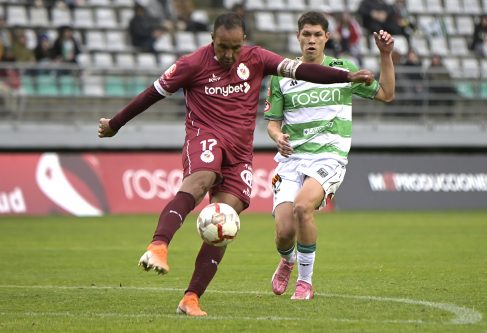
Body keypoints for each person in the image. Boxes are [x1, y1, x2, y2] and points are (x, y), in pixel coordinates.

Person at [97, 12, 374, 316]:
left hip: (239, 154)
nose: (228, 55)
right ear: (211, 41)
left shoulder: (257, 58)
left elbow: (304, 71)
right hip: (206, 137)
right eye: (221, 48)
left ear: (243, 41)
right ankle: (158, 245)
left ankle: (191, 298)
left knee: (223, 221)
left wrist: (345, 76)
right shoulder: (192, 64)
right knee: (201, 179)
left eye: (233, 48)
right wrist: (116, 123)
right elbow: (152, 94)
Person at [264, 11, 395, 300]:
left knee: (302, 208)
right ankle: (287, 260)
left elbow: (386, 93)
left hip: (329, 157)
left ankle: (305, 282)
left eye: (317, 35)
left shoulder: (342, 70)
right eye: (306, 34)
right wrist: (277, 136)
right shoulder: (282, 75)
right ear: (298, 37)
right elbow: (272, 122)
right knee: (284, 231)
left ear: (327, 38)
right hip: (291, 159)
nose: (311, 40)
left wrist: (385, 55)